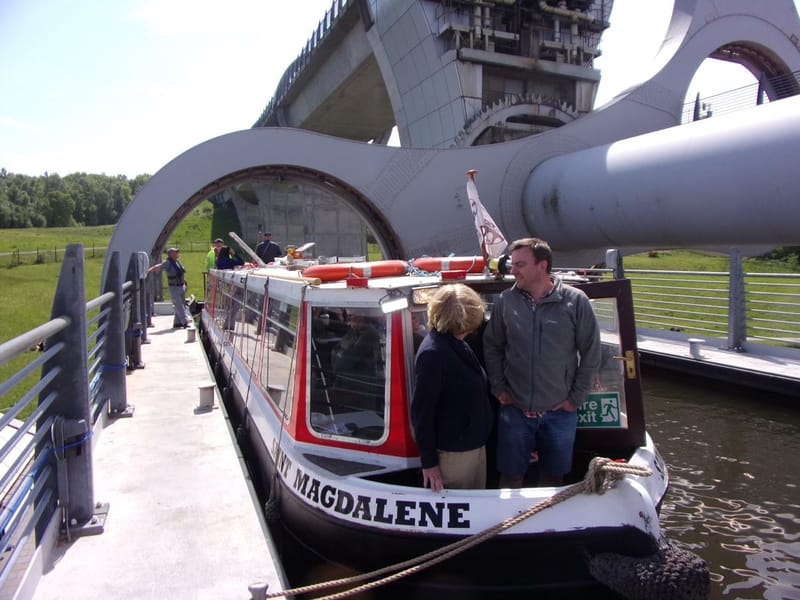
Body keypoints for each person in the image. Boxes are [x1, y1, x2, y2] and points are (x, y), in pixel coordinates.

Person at [483, 237, 601, 488]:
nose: (512, 270)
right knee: (510, 475)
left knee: (554, 477)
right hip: (514, 410)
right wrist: (499, 389)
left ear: (542, 266)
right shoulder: (506, 300)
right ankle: (510, 523)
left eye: (520, 265)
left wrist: (575, 399)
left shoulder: (575, 301)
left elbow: (591, 352)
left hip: (560, 414)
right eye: (512, 264)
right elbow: (492, 346)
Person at [410, 284, 493, 493]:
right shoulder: (434, 353)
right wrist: (429, 462)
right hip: (455, 456)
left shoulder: (455, 343)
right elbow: (422, 411)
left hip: (472, 446)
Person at [148, 247, 191, 328]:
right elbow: (159, 266)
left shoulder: (177, 262)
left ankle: (177, 323)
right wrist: (149, 270)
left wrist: (184, 285)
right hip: (174, 287)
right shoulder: (168, 263)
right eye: (175, 252)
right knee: (179, 305)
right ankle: (184, 322)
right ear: (171, 254)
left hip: (181, 286)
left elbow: (180, 273)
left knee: (182, 304)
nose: (177, 254)